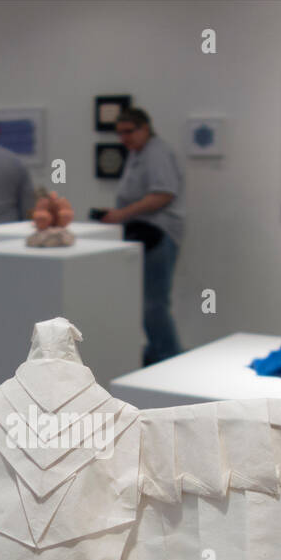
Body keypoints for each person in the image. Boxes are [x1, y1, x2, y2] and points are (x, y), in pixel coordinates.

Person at [101, 108, 185, 366]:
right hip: (144, 233)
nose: (124, 138)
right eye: (120, 133)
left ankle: (168, 358)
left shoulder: (156, 152)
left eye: (129, 132)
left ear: (145, 128)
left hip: (158, 233)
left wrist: (121, 214)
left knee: (153, 304)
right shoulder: (138, 154)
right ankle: (158, 352)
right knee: (147, 303)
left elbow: (164, 194)